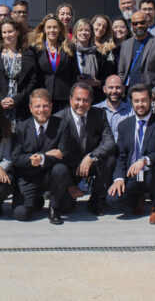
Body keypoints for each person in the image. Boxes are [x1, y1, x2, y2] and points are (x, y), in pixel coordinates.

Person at [107, 84, 155, 225]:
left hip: (152, 175)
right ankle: (137, 199)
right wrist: (118, 178)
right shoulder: (124, 125)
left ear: (151, 101)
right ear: (132, 102)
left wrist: (145, 160)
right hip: (133, 176)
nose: (140, 105)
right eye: (136, 101)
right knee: (113, 201)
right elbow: (121, 156)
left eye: (144, 100)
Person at [10, 88, 74, 224]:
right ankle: (35, 199)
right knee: (20, 214)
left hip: (50, 176)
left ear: (51, 106)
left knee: (67, 204)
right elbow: (15, 158)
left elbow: (64, 153)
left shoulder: (62, 125)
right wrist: (43, 156)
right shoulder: (21, 127)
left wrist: (41, 159)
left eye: (45, 106)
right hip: (28, 176)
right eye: (37, 106)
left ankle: (54, 208)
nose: (41, 109)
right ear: (30, 108)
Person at [55, 83, 116, 216]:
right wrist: (70, 185)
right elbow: (56, 157)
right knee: (65, 207)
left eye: (85, 100)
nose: (81, 104)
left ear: (91, 101)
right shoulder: (58, 119)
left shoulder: (99, 114)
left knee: (109, 160)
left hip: (90, 164)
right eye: (78, 99)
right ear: (70, 99)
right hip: (69, 169)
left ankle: (95, 200)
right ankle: (70, 190)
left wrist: (91, 156)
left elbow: (109, 142)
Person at [0, 18, 40, 126]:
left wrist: (17, 99)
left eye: (10, 31)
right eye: (4, 32)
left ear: (17, 32)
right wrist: (0, 99)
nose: (7, 35)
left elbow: (33, 81)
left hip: (21, 106)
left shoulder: (29, 54)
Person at [116, 10, 155, 96]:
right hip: (129, 95)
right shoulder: (125, 44)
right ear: (131, 25)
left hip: (150, 94)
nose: (139, 26)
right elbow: (121, 71)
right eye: (135, 23)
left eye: (142, 22)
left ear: (147, 23)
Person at [33, 14, 78, 113]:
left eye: (55, 27)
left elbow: (73, 73)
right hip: (43, 96)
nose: (52, 30)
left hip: (64, 96)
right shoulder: (36, 49)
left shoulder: (69, 48)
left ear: (60, 29)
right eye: (49, 27)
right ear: (44, 29)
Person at [72, 18, 108, 100]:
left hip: (93, 96)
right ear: (75, 32)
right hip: (74, 95)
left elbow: (104, 76)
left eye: (87, 30)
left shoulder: (98, 53)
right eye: (80, 30)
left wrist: (97, 83)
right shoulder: (70, 52)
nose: (83, 33)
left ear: (91, 33)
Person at [94, 74, 133, 142]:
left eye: (118, 87)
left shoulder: (132, 112)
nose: (114, 91)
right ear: (104, 89)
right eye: (111, 87)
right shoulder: (94, 110)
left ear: (123, 89)